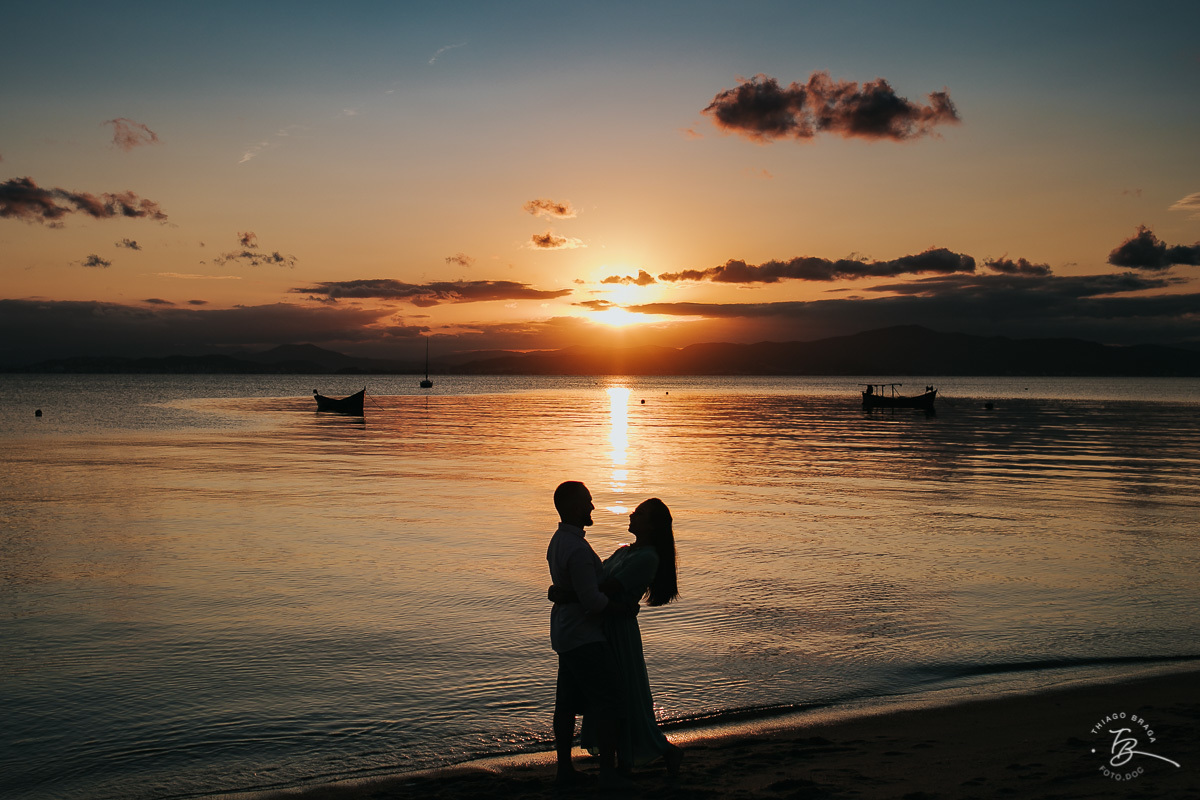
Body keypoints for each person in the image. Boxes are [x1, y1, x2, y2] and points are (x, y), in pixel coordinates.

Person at [555, 498, 684, 776]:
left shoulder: (648, 557)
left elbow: (607, 586)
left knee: (625, 697)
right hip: (603, 625)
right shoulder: (624, 550)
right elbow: (595, 578)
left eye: (638, 513)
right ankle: (620, 760)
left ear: (650, 525)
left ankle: (662, 752)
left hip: (620, 630)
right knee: (609, 698)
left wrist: (566, 594)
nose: (631, 515)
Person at [546, 481, 636, 789]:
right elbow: (592, 602)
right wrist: (622, 609)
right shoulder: (577, 549)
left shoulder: (559, 541)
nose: (592, 507)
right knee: (611, 700)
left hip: (565, 634)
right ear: (573, 507)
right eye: (587, 502)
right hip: (584, 636)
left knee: (567, 704)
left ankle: (564, 770)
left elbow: (575, 591)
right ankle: (608, 773)